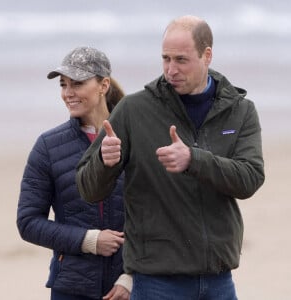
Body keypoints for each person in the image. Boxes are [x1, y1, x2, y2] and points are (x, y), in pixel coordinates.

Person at [76, 15, 265, 300]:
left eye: (181, 60)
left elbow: (250, 179)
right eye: (165, 59)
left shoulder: (241, 111)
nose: (171, 70)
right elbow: (89, 189)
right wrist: (104, 161)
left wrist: (194, 160)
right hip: (157, 281)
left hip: (219, 279)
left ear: (207, 55)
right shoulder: (133, 110)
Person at [17, 46, 132, 300]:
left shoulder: (135, 139)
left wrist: (131, 277)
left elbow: (156, 216)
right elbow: (28, 222)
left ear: (103, 85)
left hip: (129, 287)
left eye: (77, 83)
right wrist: (88, 240)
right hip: (71, 288)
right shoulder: (48, 146)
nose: (68, 93)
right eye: (63, 85)